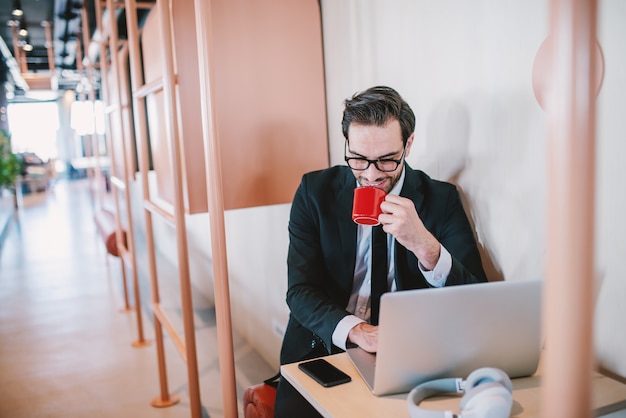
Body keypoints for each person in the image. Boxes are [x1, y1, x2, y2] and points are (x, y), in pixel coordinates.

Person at [274, 86, 487, 417]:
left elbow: (477, 300)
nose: (371, 175)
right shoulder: (314, 193)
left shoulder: (441, 200)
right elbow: (300, 291)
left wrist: (424, 245)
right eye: (358, 159)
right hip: (323, 346)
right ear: (346, 144)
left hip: (408, 355)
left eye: (387, 160)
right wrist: (359, 332)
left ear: (409, 145)